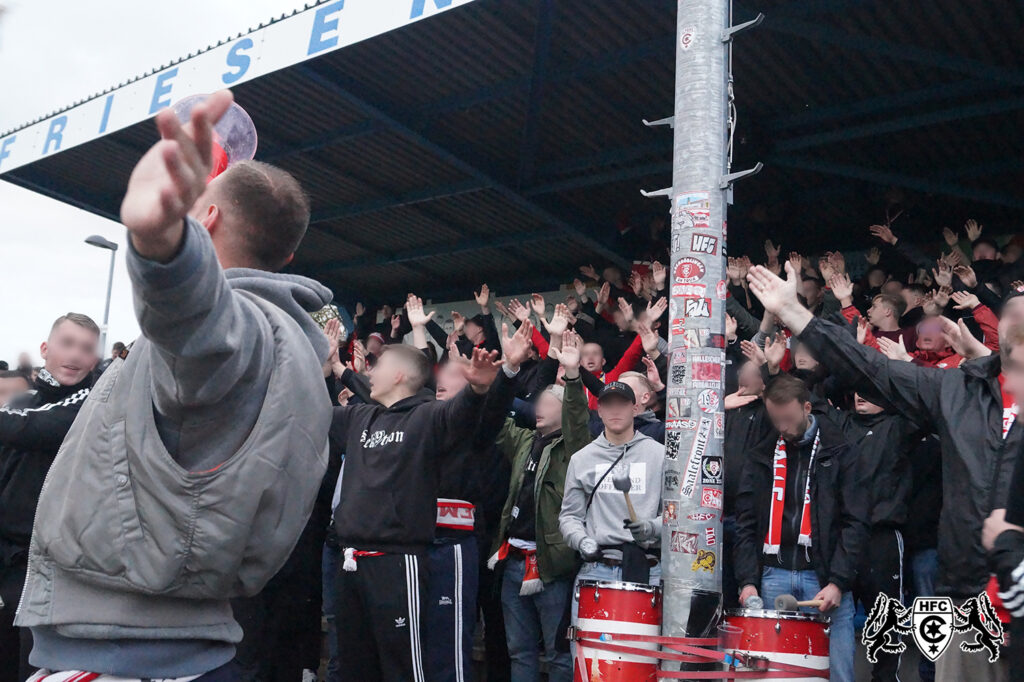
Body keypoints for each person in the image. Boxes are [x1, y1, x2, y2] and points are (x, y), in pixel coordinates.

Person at [17, 90, 335, 681]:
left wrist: (162, 246)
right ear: (289, 255)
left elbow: (199, 328)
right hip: (159, 647)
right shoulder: (290, 350)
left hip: (127, 659)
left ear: (205, 217)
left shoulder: (243, 334)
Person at [747, 262, 1024, 682]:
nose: (1017, 322)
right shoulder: (959, 391)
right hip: (973, 609)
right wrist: (796, 315)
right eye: (1011, 315)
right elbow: (869, 369)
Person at [329, 343, 503, 682]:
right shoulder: (359, 417)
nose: (370, 373)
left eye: (376, 367)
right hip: (350, 560)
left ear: (398, 375)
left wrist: (479, 388)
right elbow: (305, 412)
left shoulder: (427, 416)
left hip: (396, 560)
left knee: (402, 668)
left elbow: (461, 414)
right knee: (354, 666)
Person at [734, 374, 869, 682]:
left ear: (807, 408)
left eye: (789, 419)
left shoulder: (840, 451)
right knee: (775, 676)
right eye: (776, 419)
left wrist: (838, 582)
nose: (782, 427)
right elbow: (746, 523)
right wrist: (747, 582)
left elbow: (855, 523)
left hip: (823, 578)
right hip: (772, 576)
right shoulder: (761, 453)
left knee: (838, 674)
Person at [0, 313, 99, 680]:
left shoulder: (91, 404)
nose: (76, 355)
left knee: (33, 668)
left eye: (87, 348)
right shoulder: (22, 400)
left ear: (94, 359)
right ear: (45, 349)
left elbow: (36, 426)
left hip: (48, 564)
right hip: (7, 559)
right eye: (68, 343)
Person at [491, 331, 593, 682]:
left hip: (551, 566)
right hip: (514, 560)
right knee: (519, 652)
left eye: (546, 404)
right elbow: (494, 419)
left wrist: (574, 374)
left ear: (561, 409)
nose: (537, 409)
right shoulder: (525, 440)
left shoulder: (574, 448)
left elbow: (580, 418)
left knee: (559, 654)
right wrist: (499, 374)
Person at [818, 392, 919, 682]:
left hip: (881, 537)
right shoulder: (841, 423)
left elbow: (925, 405)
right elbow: (809, 402)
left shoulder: (899, 425)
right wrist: (774, 369)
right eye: (857, 388)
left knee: (886, 624)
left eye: (870, 388)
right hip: (844, 538)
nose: (861, 394)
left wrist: (905, 367)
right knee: (836, 619)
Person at [560, 379, 664, 625]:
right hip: (596, 568)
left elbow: (676, 514)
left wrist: (652, 527)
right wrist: (581, 540)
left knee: (640, 655)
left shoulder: (659, 455)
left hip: (647, 569)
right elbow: (569, 517)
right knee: (589, 654)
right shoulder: (581, 459)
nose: (615, 411)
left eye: (622, 404)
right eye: (608, 405)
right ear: (599, 410)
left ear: (635, 409)